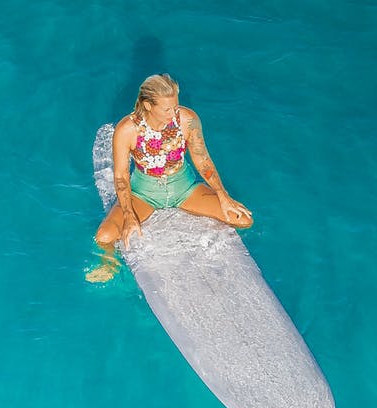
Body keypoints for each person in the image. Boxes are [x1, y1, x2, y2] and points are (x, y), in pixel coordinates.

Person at [86, 73, 253, 282]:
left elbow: (203, 161)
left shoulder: (187, 120)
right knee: (105, 236)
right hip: (143, 194)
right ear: (148, 106)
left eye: (175, 106)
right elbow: (120, 177)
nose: (173, 113)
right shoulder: (126, 129)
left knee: (243, 219)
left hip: (184, 189)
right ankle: (108, 264)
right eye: (166, 109)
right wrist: (128, 214)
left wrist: (223, 195)